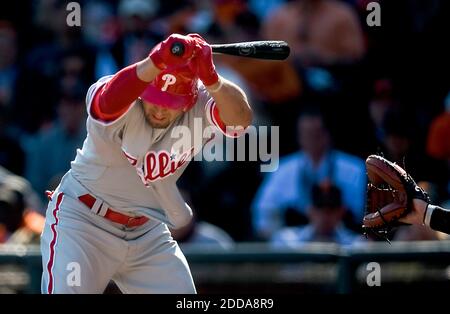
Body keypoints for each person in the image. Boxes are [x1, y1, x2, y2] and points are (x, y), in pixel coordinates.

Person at [40, 33, 252, 294]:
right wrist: (155, 61)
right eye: (156, 99)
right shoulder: (122, 89)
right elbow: (105, 106)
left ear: (189, 99)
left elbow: (240, 121)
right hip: (84, 222)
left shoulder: (200, 102)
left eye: (171, 102)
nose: (160, 110)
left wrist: (213, 81)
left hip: (146, 230)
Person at [251, 108, 366, 240]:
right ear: (299, 137)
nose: (311, 139)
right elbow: (263, 213)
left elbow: (359, 215)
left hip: (342, 241)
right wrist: (280, 242)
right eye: (306, 134)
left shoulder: (354, 169)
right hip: (295, 247)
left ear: (327, 135)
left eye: (316, 134)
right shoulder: (282, 169)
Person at [271, 183, 359, 247]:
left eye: (331, 210)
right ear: (310, 211)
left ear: (341, 212)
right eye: (320, 209)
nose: (325, 216)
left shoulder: (356, 244)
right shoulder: (286, 240)